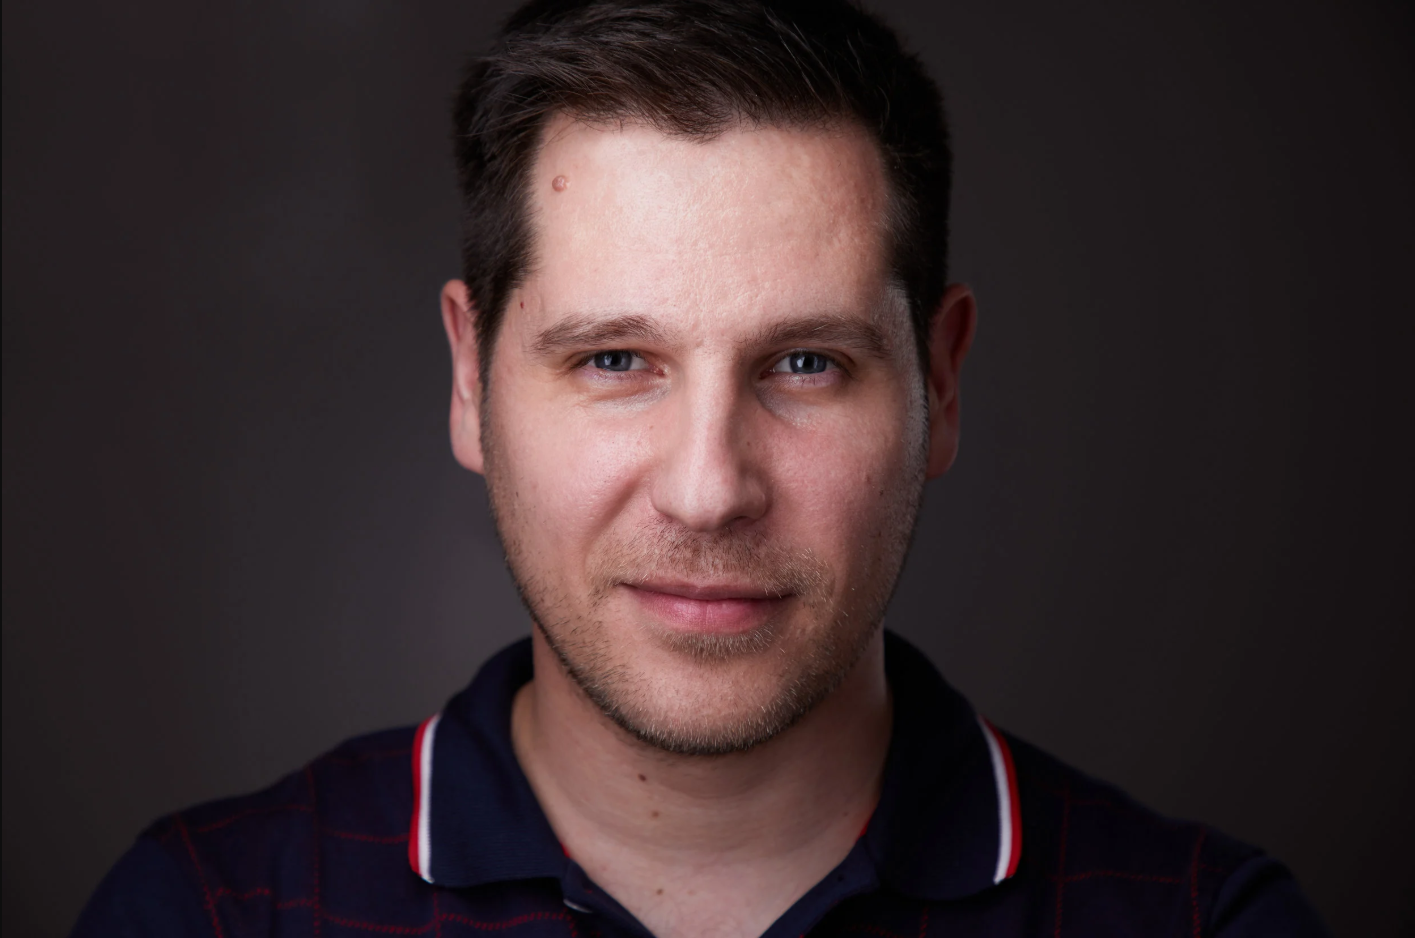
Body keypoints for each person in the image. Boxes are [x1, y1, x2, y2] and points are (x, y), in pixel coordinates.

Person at [73, 1, 1330, 936]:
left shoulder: (1200, 920)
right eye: (617, 358)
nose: (706, 487)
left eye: (804, 364)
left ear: (939, 383)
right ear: (469, 379)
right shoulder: (210, 910)